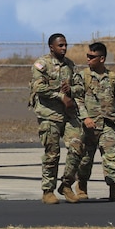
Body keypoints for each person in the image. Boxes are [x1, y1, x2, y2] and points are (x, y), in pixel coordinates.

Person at [29, 33, 87, 204]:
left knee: (78, 147)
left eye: (65, 45)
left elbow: (80, 87)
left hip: (68, 115)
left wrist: (70, 90)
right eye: (60, 45)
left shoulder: (69, 65)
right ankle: (48, 191)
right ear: (51, 47)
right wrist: (61, 96)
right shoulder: (41, 64)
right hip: (49, 115)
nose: (64, 48)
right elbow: (39, 88)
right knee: (52, 154)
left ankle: (67, 184)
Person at [75, 42, 115, 201]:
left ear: (102, 59)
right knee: (84, 159)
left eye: (92, 57)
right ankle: (81, 187)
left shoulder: (113, 78)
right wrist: (85, 117)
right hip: (88, 126)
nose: (88, 59)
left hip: (108, 125)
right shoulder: (82, 76)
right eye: (87, 56)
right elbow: (77, 100)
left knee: (113, 158)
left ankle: (114, 189)